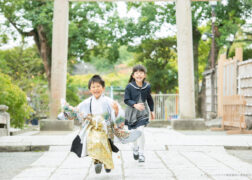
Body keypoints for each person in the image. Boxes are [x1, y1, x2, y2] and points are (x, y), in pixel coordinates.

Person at [60, 75, 141, 174]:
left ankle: (107, 164)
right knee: (94, 143)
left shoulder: (109, 101)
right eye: (93, 87)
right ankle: (97, 162)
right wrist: (67, 110)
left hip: (106, 127)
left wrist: (116, 111)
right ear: (90, 89)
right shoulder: (87, 102)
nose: (96, 89)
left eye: (98, 86)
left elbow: (118, 114)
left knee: (107, 145)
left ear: (103, 88)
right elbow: (77, 111)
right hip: (93, 127)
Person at [124, 64, 155, 163]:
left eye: (141, 73)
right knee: (134, 133)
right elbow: (126, 100)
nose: (139, 75)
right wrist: (135, 105)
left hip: (143, 112)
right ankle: (135, 148)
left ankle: (141, 153)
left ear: (144, 75)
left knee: (141, 131)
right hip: (132, 113)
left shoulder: (147, 86)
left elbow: (149, 99)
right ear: (133, 75)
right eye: (136, 73)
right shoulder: (129, 86)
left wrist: (152, 110)